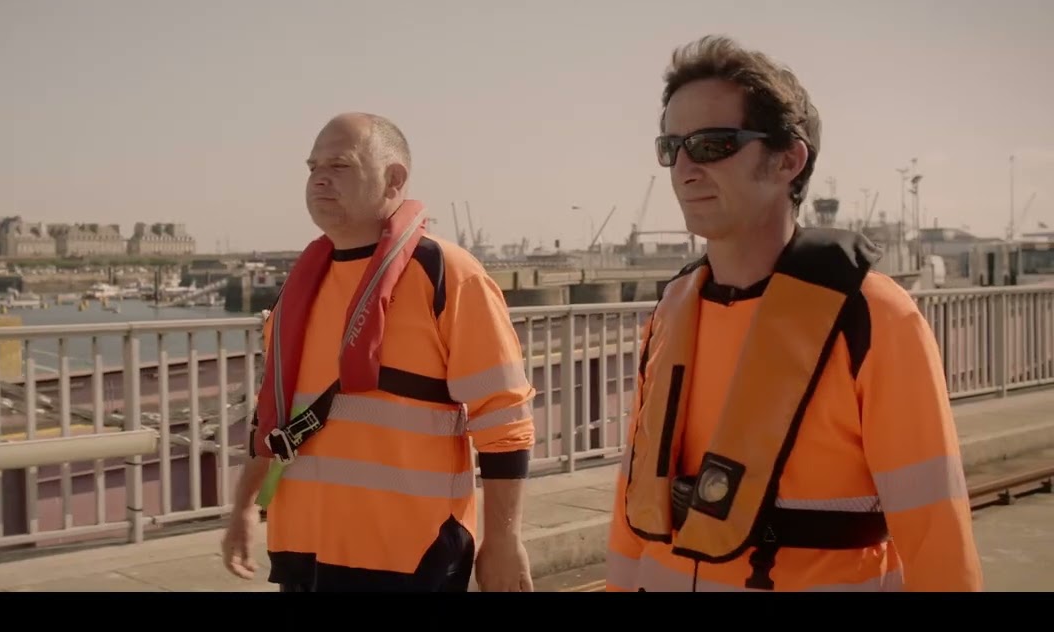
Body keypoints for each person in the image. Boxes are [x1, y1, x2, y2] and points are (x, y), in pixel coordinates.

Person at [606, 35, 984, 592]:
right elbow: (632, 505)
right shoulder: (671, 312)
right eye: (672, 147)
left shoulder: (873, 317)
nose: (684, 168)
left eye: (711, 144)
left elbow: (936, 539)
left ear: (788, 159)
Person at [220, 112, 537, 592]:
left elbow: (504, 421)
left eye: (340, 165)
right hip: (306, 552)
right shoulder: (299, 289)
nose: (319, 178)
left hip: (409, 557)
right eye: (312, 167)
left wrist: (504, 541)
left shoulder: (447, 273)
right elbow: (273, 415)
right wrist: (245, 506)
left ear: (394, 180)